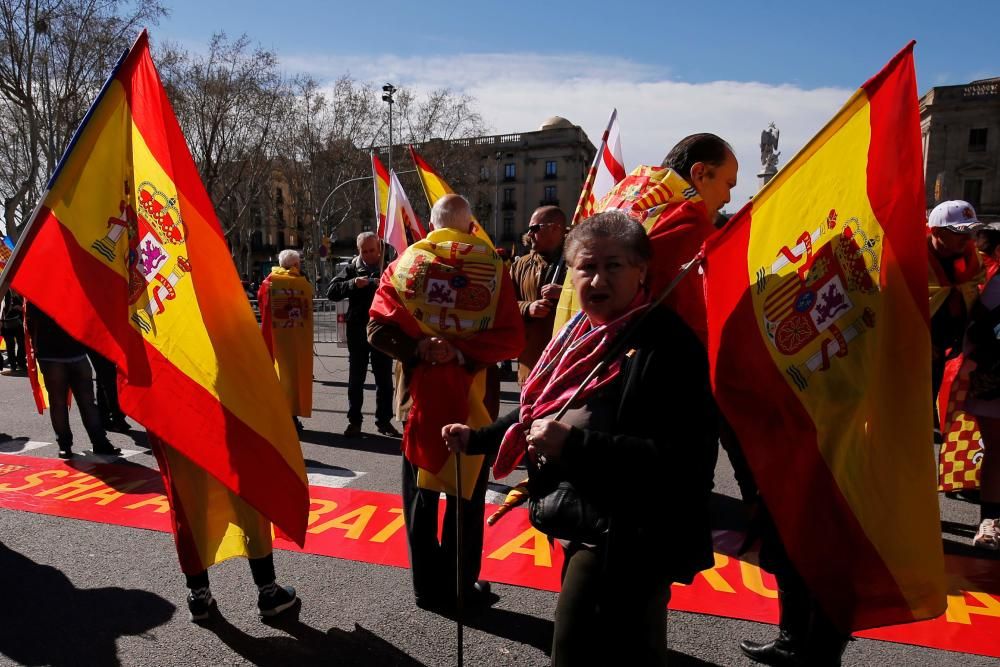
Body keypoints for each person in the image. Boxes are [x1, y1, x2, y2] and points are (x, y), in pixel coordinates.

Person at [444, 212, 717, 665]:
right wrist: (478, 439)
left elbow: (686, 459)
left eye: (614, 265)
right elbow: (541, 408)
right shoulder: (580, 334)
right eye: (586, 267)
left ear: (642, 270)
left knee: (580, 651)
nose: (597, 278)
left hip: (633, 535)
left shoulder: (668, 344)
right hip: (585, 522)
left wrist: (575, 446)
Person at [368, 194, 524, 611]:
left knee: (420, 498)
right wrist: (461, 353)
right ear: (471, 226)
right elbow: (512, 337)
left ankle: (425, 588)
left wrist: (421, 348)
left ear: (429, 227)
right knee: (466, 502)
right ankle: (460, 586)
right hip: (474, 404)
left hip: (417, 402)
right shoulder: (493, 268)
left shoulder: (403, 266)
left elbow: (376, 331)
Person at [954, 216, 1000, 551]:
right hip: (995, 376)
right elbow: (977, 326)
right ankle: (990, 521)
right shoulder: (992, 282)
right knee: (997, 450)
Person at [327, 232, 400, 438]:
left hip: (382, 330)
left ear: (379, 249)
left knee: (384, 379)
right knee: (356, 379)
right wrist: (352, 284)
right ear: (358, 251)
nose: (368, 255)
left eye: (372, 250)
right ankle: (354, 421)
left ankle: (384, 421)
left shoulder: (389, 267)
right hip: (358, 331)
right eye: (364, 251)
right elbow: (331, 291)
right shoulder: (351, 268)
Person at [24, 303, 120, 459]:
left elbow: (30, 323)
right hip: (69, 352)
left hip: (54, 353)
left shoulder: (35, 294)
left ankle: (66, 445)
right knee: (84, 402)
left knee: (60, 403)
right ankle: (98, 442)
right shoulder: (67, 287)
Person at [928, 200, 984, 432]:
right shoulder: (911, 259)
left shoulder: (974, 259)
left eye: (970, 230)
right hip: (919, 345)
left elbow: (978, 290)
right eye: (960, 231)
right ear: (937, 232)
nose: (967, 237)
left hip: (958, 344)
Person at [257, 250, 313, 432]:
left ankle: (275, 418)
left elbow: (261, 302)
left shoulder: (269, 283)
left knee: (277, 379)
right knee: (294, 381)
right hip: (297, 339)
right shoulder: (303, 283)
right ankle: (292, 418)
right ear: (296, 265)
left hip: (275, 338)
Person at [510, 205, 567, 383]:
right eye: (529, 228)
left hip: (565, 362)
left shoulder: (577, 263)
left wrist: (564, 293)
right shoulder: (520, 265)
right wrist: (528, 308)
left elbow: (593, 301)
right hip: (530, 361)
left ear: (556, 228)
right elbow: (504, 305)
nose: (529, 233)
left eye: (535, 228)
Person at [87, 349, 131, 432]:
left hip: (101, 341)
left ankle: (105, 417)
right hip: (97, 341)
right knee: (108, 377)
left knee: (104, 377)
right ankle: (117, 418)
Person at [1, 290, 26, 374]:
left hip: (18, 321)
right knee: (10, 345)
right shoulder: (5, 290)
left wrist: (21, 307)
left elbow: (25, 304)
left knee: (21, 343)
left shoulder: (19, 291)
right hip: (6, 323)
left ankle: (21, 363)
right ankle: (13, 366)